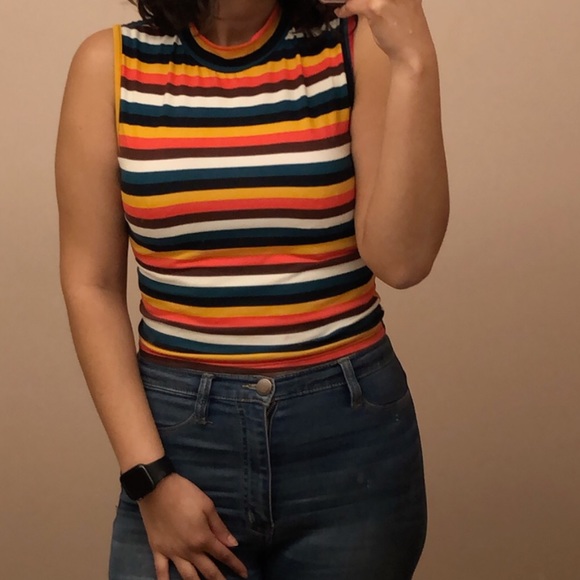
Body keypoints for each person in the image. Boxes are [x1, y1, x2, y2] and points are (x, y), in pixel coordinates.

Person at [55, 0, 449, 578]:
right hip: (179, 438)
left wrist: (415, 60)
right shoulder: (108, 64)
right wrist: (149, 478)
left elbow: (404, 260)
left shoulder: (356, 46)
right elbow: (90, 283)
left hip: (349, 439)